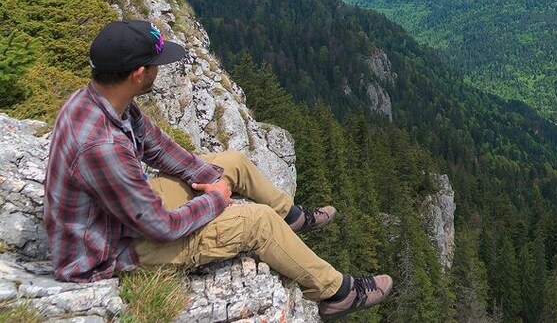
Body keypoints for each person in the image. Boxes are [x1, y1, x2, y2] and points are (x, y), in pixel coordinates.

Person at [44, 20, 392, 320]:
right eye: (154, 65)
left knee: (233, 163)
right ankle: (336, 292)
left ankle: (292, 216)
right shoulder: (102, 145)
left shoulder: (103, 101)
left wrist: (214, 176)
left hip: (118, 216)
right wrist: (217, 200)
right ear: (138, 74)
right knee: (257, 222)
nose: (158, 70)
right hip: (110, 250)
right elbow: (161, 227)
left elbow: (157, 146)